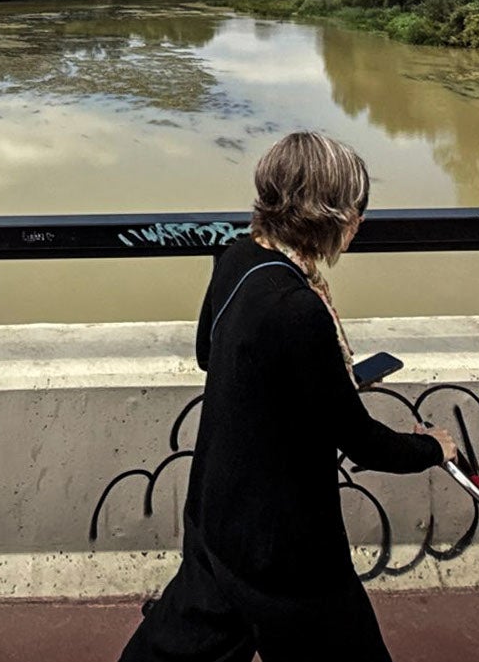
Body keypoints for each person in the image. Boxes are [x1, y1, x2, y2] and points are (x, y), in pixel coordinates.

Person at [119, 131, 455, 662]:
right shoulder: (296, 308)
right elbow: (361, 441)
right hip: (283, 538)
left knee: (185, 643)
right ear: (326, 213)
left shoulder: (237, 256)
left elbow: (213, 352)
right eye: (355, 208)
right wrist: (434, 448)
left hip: (216, 504)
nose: (359, 222)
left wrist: (309, 379)